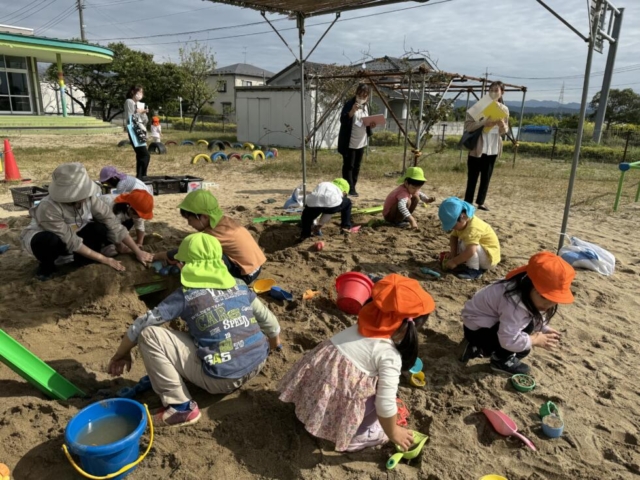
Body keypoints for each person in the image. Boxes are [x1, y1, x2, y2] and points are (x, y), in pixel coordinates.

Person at [108, 233, 282, 427]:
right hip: (258, 361)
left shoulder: (186, 295)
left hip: (222, 379)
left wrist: (121, 354)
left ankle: (181, 408)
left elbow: (141, 324)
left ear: (184, 265)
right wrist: (273, 347)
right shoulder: (239, 285)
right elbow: (271, 323)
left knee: (149, 335)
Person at [279, 274, 435, 452]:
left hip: (313, 394)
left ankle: (310, 412)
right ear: (408, 327)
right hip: (336, 404)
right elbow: (385, 404)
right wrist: (393, 432)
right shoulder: (389, 355)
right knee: (381, 395)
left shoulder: (357, 328)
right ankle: (360, 435)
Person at [19, 163, 153, 281]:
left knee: (99, 228)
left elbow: (112, 223)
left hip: (76, 232)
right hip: (52, 238)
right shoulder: (48, 207)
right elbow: (70, 240)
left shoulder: (89, 199)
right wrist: (104, 259)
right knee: (48, 240)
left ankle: (82, 262)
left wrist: (137, 251)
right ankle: (47, 267)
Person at [459, 252, 575, 375]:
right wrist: (534, 340)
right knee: (524, 342)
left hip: (480, 325)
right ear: (529, 285)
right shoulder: (514, 303)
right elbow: (508, 340)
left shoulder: (522, 289)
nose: (548, 304)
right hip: (477, 330)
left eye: (554, 300)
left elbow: (533, 314)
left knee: (524, 340)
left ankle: (476, 348)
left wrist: (543, 328)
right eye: (543, 296)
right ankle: (499, 360)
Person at [154, 190, 266, 285]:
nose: (189, 224)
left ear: (204, 217)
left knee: (200, 257)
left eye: (190, 219)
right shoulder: (224, 221)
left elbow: (186, 250)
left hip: (244, 274)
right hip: (256, 266)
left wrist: (156, 256)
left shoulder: (214, 233)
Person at [463, 81, 509, 211]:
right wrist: (484, 123)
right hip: (478, 146)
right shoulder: (478, 106)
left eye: (496, 90)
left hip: (493, 147)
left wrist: (501, 124)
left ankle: (481, 201)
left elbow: (504, 132)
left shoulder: (504, 109)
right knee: (472, 176)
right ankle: (468, 201)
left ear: (502, 93)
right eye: (491, 90)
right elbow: (468, 126)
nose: (493, 93)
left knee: (486, 177)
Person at [438, 197, 500, 280]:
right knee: (463, 242)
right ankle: (470, 264)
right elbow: (453, 237)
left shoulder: (473, 228)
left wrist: (455, 261)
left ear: (463, 216)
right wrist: (453, 254)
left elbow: (471, 251)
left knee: (465, 244)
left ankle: (474, 271)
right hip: (481, 254)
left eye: (453, 225)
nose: (453, 228)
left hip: (488, 260)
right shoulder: (463, 223)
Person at [338, 84, 375, 197]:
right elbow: (343, 120)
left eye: (365, 95)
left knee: (357, 165)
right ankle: (350, 188)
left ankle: (353, 185)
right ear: (356, 93)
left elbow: (366, 122)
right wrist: (352, 111)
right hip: (349, 142)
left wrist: (371, 125)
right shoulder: (350, 104)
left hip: (361, 141)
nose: (363, 97)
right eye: (361, 94)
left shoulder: (367, 106)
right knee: (349, 165)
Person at [124, 85, 150, 179]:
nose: (140, 94)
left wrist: (143, 113)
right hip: (134, 131)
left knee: (140, 155)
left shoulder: (139, 104)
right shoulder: (129, 101)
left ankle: (140, 176)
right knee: (145, 154)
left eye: (142, 93)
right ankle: (143, 176)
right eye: (139, 92)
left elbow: (145, 121)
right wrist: (139, 112)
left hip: (141, 131)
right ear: (133, 92)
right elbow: (130, 118)